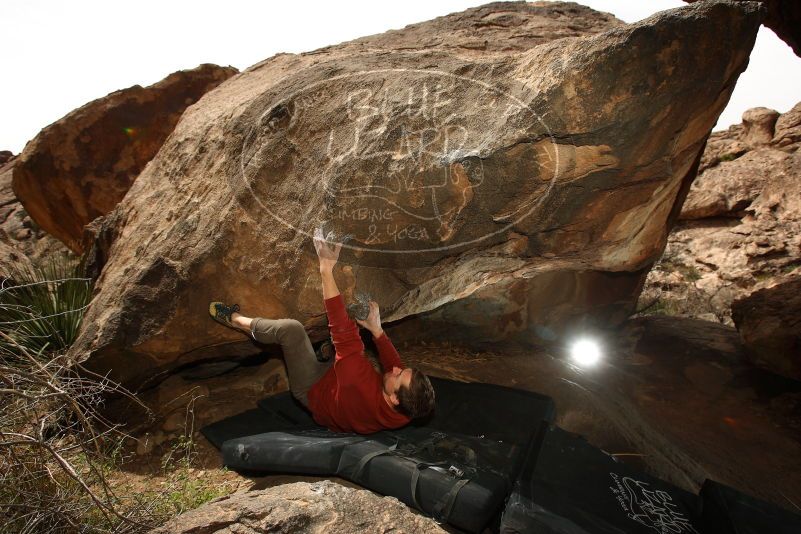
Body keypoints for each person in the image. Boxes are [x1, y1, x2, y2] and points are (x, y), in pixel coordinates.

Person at [208, 227, 435, 434]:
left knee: (292, 330)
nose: (396, 368)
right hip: (339, 389)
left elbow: (342, 330)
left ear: (395, 399)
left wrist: (326, 268)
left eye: (398, 375)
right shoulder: (408, 411)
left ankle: (236, 320)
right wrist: (377, 332)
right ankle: (327, 354)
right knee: (352, 354)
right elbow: (397, 369)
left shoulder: (359, 381)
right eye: (403, 370)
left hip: (313, 388)